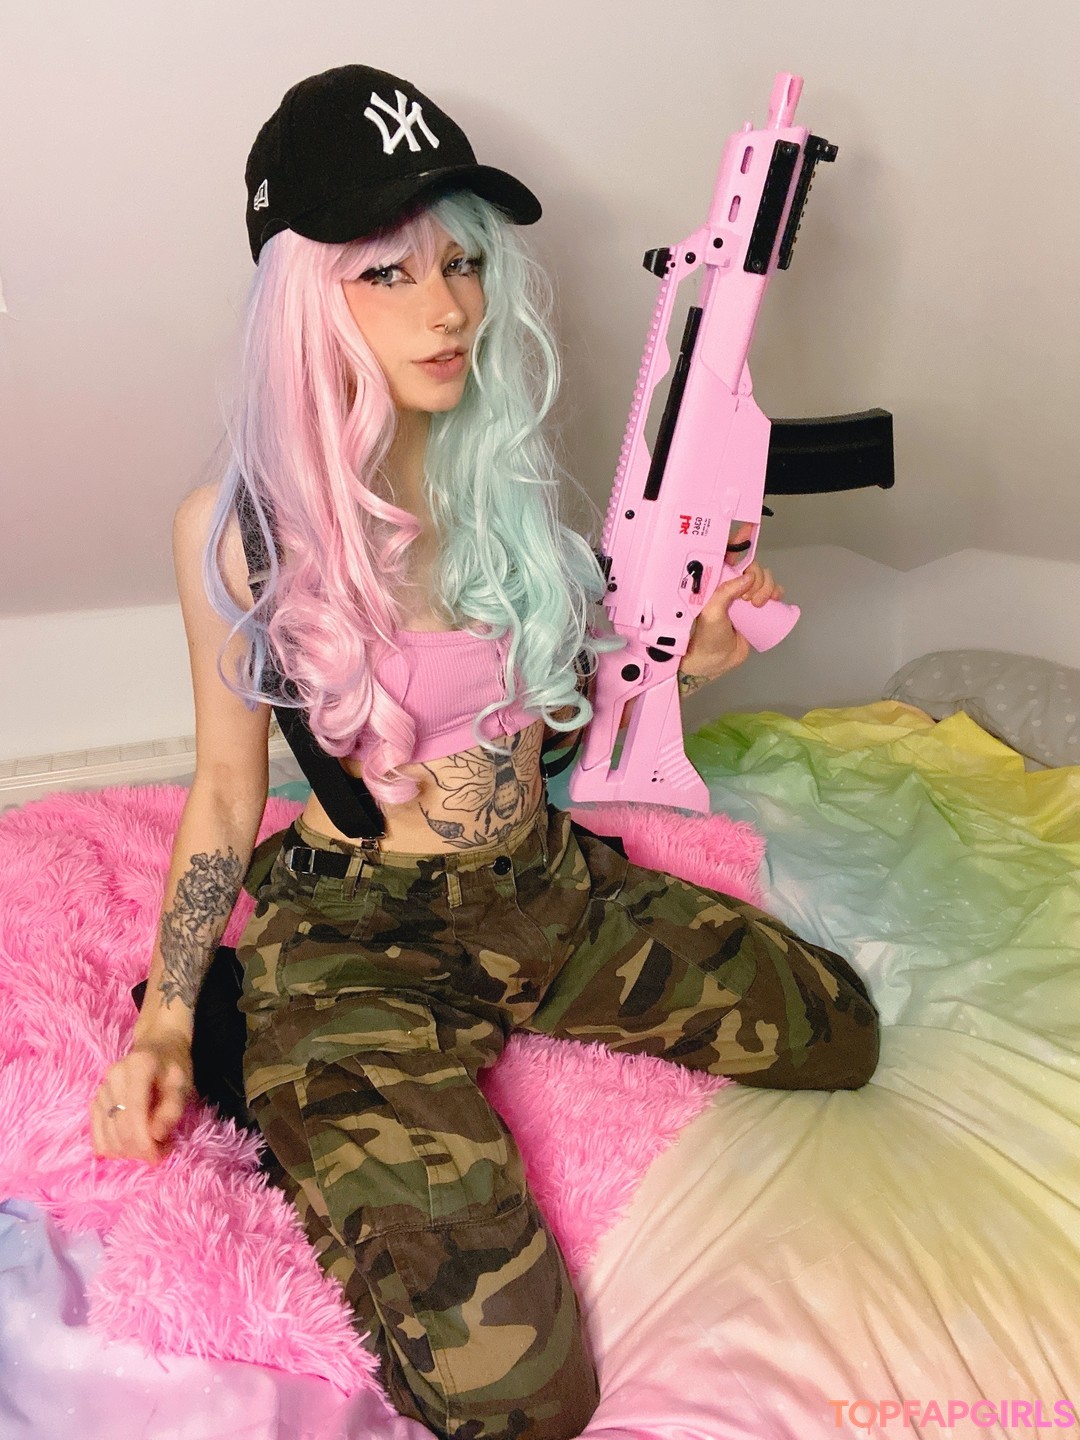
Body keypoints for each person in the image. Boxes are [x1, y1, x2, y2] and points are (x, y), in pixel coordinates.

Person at [90, 65, 879, 1440]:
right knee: (520, 1398)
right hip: (362, 939)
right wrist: (165, 1016)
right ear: (303, 297)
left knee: (839, 1033)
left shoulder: (497, 478)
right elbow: (224, 791)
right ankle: (284, 1063)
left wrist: (688, 655)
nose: (450, 309)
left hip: (545, 885)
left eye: (461, 263)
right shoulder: (237, 527)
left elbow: (551, 709)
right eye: (389, 274)